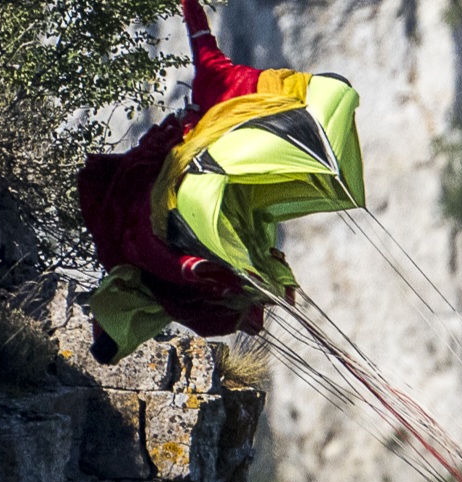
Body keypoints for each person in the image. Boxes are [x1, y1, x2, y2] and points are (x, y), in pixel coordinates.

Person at [74, 0, 364, 360]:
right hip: (210, 182)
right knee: (147, 248)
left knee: (143, 246)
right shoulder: (242, 82)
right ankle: (215, 278)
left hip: (191, 185)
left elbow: (199, 34)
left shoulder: (219, 78)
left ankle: (198, 277)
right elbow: (201, 36)